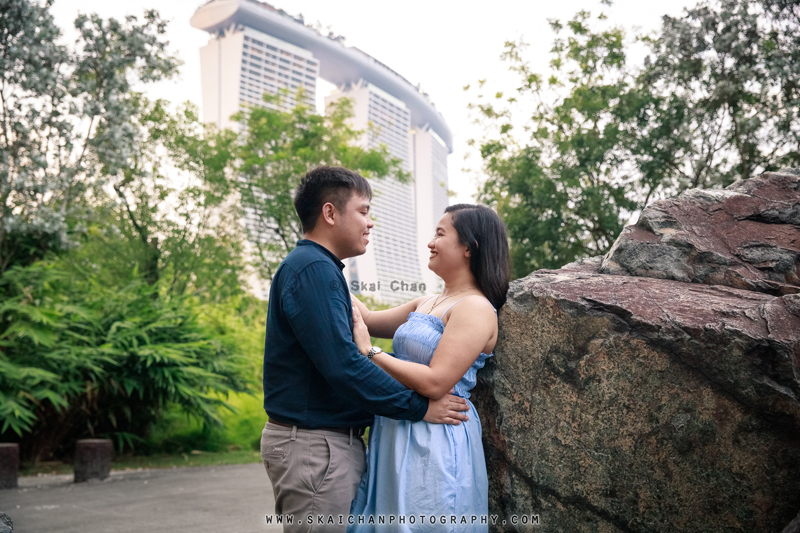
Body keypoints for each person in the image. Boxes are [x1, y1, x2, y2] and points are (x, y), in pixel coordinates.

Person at [260, 166, 471, 532]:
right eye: (363, 211)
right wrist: (419, 406)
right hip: (315, 445)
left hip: (322, 444)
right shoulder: (312, 268)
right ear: (330, 213)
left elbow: (364, 325)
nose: (370, 222)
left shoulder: (320, 270)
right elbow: (344, 365)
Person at [347, 204, 510, 532]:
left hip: (434, 436)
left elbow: (437, 382)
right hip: (397, 426)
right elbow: (365, 318)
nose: (430, 242)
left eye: (440, 233)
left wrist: (370, 351)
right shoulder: (428, 301)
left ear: (469, 247)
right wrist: (328, 262)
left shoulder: (475, 307)